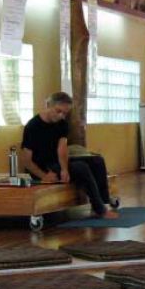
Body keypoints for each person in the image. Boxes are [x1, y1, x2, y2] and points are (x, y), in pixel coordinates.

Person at [20, 91, 117, 219]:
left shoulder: (62, 124)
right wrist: (44, 176)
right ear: (48, 105)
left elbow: (62, 148)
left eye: (65, 113)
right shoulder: (32, 126)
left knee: (97, 160)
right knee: (81, 167)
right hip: (42, 167)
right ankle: (100, 210)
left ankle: (103, 203)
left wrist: (65, 169)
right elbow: (26, 161)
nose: (61, 116)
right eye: (58, 111)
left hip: (56, 162)